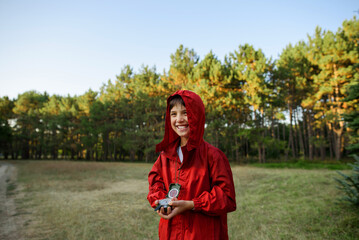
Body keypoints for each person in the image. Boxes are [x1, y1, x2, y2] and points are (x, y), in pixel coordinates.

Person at [147, 90, 237, 240]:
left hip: (203, 233)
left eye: (185, 113)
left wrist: (192, 204)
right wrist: (161, 202)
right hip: (170, 233)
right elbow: (155, 183)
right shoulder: (165, 156)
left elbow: (227, 198)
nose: (179, 119)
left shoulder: (213, 155)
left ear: (197, 115)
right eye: (174, 114)